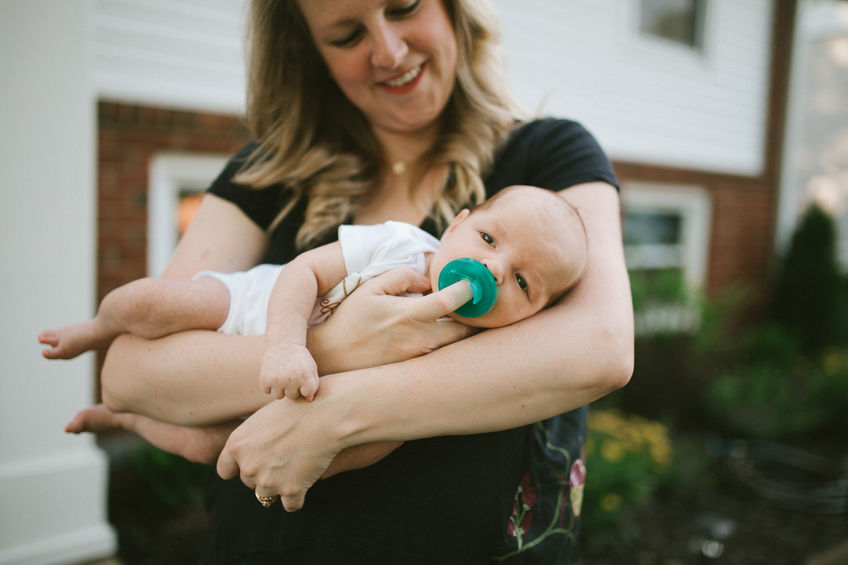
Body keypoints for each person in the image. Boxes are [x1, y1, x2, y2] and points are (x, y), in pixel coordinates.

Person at [72, 0, 634, 562]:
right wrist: (337, 347)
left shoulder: (548, 161)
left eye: (405, 6)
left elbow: (600, 348)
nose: (389, 51)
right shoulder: (267, 172)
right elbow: (129, 373)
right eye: (346, 35)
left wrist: (337, 411)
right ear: (307, 51)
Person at [41, 185, 587, 403]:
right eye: (488, 239)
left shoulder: (481, 345)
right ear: (456, 225)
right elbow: (302, 273)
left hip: (298, 391)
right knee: (151, 303)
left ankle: (138, 417)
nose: (492, 267)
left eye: (520, 282)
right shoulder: (399, 243)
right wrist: (284, 344)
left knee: (211, 439)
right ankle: (98, 327)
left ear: (537, 313)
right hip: (254, 307)